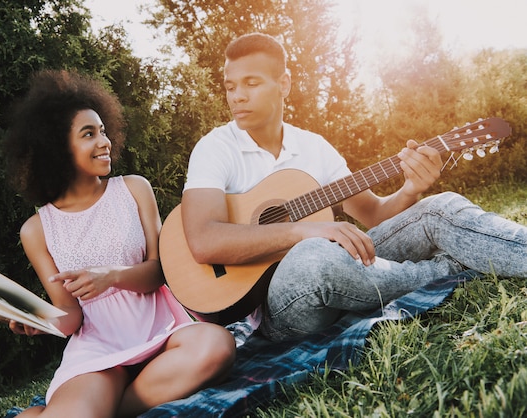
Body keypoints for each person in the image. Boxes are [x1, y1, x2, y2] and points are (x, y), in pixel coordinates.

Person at [180, 32, 527, 343]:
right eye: (230, 86)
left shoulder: (313, 147)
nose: (237, 96)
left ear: (283, 84)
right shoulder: (215, 148)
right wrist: (303, 231)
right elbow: (204, 241)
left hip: (343, 267)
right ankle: (449, 270)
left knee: (441, 206)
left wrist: (409, 189)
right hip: (276, 306)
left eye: (251, 83)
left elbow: (374, 215)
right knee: (313, 257)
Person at [2, 69, 235, 417]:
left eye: (103, 131)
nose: (104, 141)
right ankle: (96, 402)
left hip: (161, 328)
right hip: (99, 349)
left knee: (217, 346)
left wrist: (111, 276)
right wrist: (40, 321)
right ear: (58, 148)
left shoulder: (133, 189)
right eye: (88, 134)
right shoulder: (36, 230)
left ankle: (102, 408)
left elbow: (159, 272)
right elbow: (70, 315)